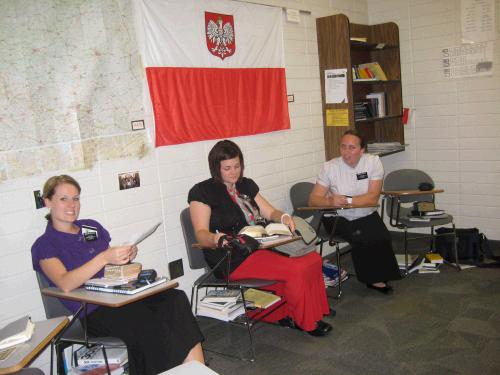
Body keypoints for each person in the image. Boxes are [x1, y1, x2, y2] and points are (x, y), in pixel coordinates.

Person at [31, 175, 204, 374]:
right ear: (47, 202)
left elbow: (110, 270)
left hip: (120, 295)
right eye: (63, 199)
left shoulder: (90, 227)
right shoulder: (45, 244)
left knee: (175, 300)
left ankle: (196, 370)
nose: (72, 204)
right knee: (150, 323)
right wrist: (104, 257)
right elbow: (65, 283)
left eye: (76, 198)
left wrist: (125, 258)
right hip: (94, 310)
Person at [188, 140, 331, 336]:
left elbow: (270, 211)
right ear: (216, 168)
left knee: (313, 259)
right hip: (231, 256)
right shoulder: (202, 192)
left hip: (258, 247)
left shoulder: (245, 185)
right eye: (227, 168)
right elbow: (200, 233)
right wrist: (217, 239)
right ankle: (305, 321)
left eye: (237, 166)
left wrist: (284, 217)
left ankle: (308, 311)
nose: (234, 172)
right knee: (297, 268)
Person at [309, 130, 401, 295]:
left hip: (365, 212)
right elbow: (313, 200)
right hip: (337, 217)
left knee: (382, 236)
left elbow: (372, 198)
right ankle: (372, 279)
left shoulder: (373, 162)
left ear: (362, 149)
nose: (346, 152)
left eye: (352, 148)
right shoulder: (330, 167)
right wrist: (330, 201)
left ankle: (382, 273)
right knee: (362, 237)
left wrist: (347, 200)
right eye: (343, 147)